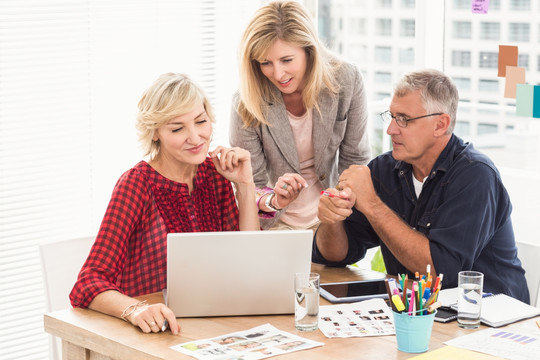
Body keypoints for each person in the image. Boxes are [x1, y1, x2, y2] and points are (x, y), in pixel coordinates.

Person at [314, 69, 529, 303]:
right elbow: (337, 255)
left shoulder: (476, 174)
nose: (391, 129)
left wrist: (373, 206)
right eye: (392, 116)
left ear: (440, 124)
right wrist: (332, 219)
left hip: (491, 318)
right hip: (420, 311)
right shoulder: (384, 169)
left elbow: (440, 274)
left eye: (404, 119)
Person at [70, 73, 260, 334]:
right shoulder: (136, 185)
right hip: (153, 335)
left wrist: (245, 185)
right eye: (177, 128)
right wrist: (137, 309)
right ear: (155, 133)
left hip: (210, 329)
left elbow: (249, 262)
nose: (195, 137)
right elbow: (88, 282)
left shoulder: (215, 175)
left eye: (201, 121)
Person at [229, 0, 371, 230]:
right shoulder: (246, 102)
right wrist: (273, 200)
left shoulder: (347, 79)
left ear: (309, 51)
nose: (278, 74)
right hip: (276, 222)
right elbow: (250, 184)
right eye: (266, 63)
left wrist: (339, 201)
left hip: (332, 218)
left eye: (286, 60)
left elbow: (355, 160)